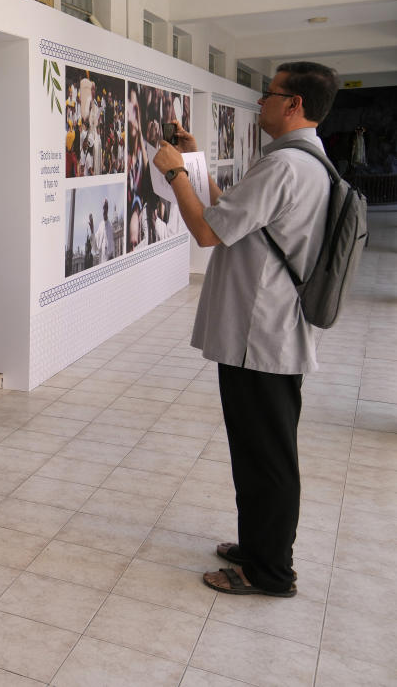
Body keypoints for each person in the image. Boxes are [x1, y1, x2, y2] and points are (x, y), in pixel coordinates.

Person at [153, 61, 339, 598]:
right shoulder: (300, 161)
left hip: (264, 338)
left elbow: (209, 231)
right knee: (258, 450)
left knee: (267, 457)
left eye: (269, 93)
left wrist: (174, 174)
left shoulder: (285, 167)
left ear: (294, 105)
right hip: (267, 334)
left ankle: (270, 572)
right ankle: (259, 548)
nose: (261, 102)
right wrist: (194, 163)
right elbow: (233, 211)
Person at [93, 198, 115, 263]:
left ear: (107, 209)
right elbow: (95, 247)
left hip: (109, 259)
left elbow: (111, 245)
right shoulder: (100, 225)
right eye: (103, 208)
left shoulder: (110, 226)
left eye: (106, 207)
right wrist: (92, 229)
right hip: (102, 259)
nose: (104, 210)